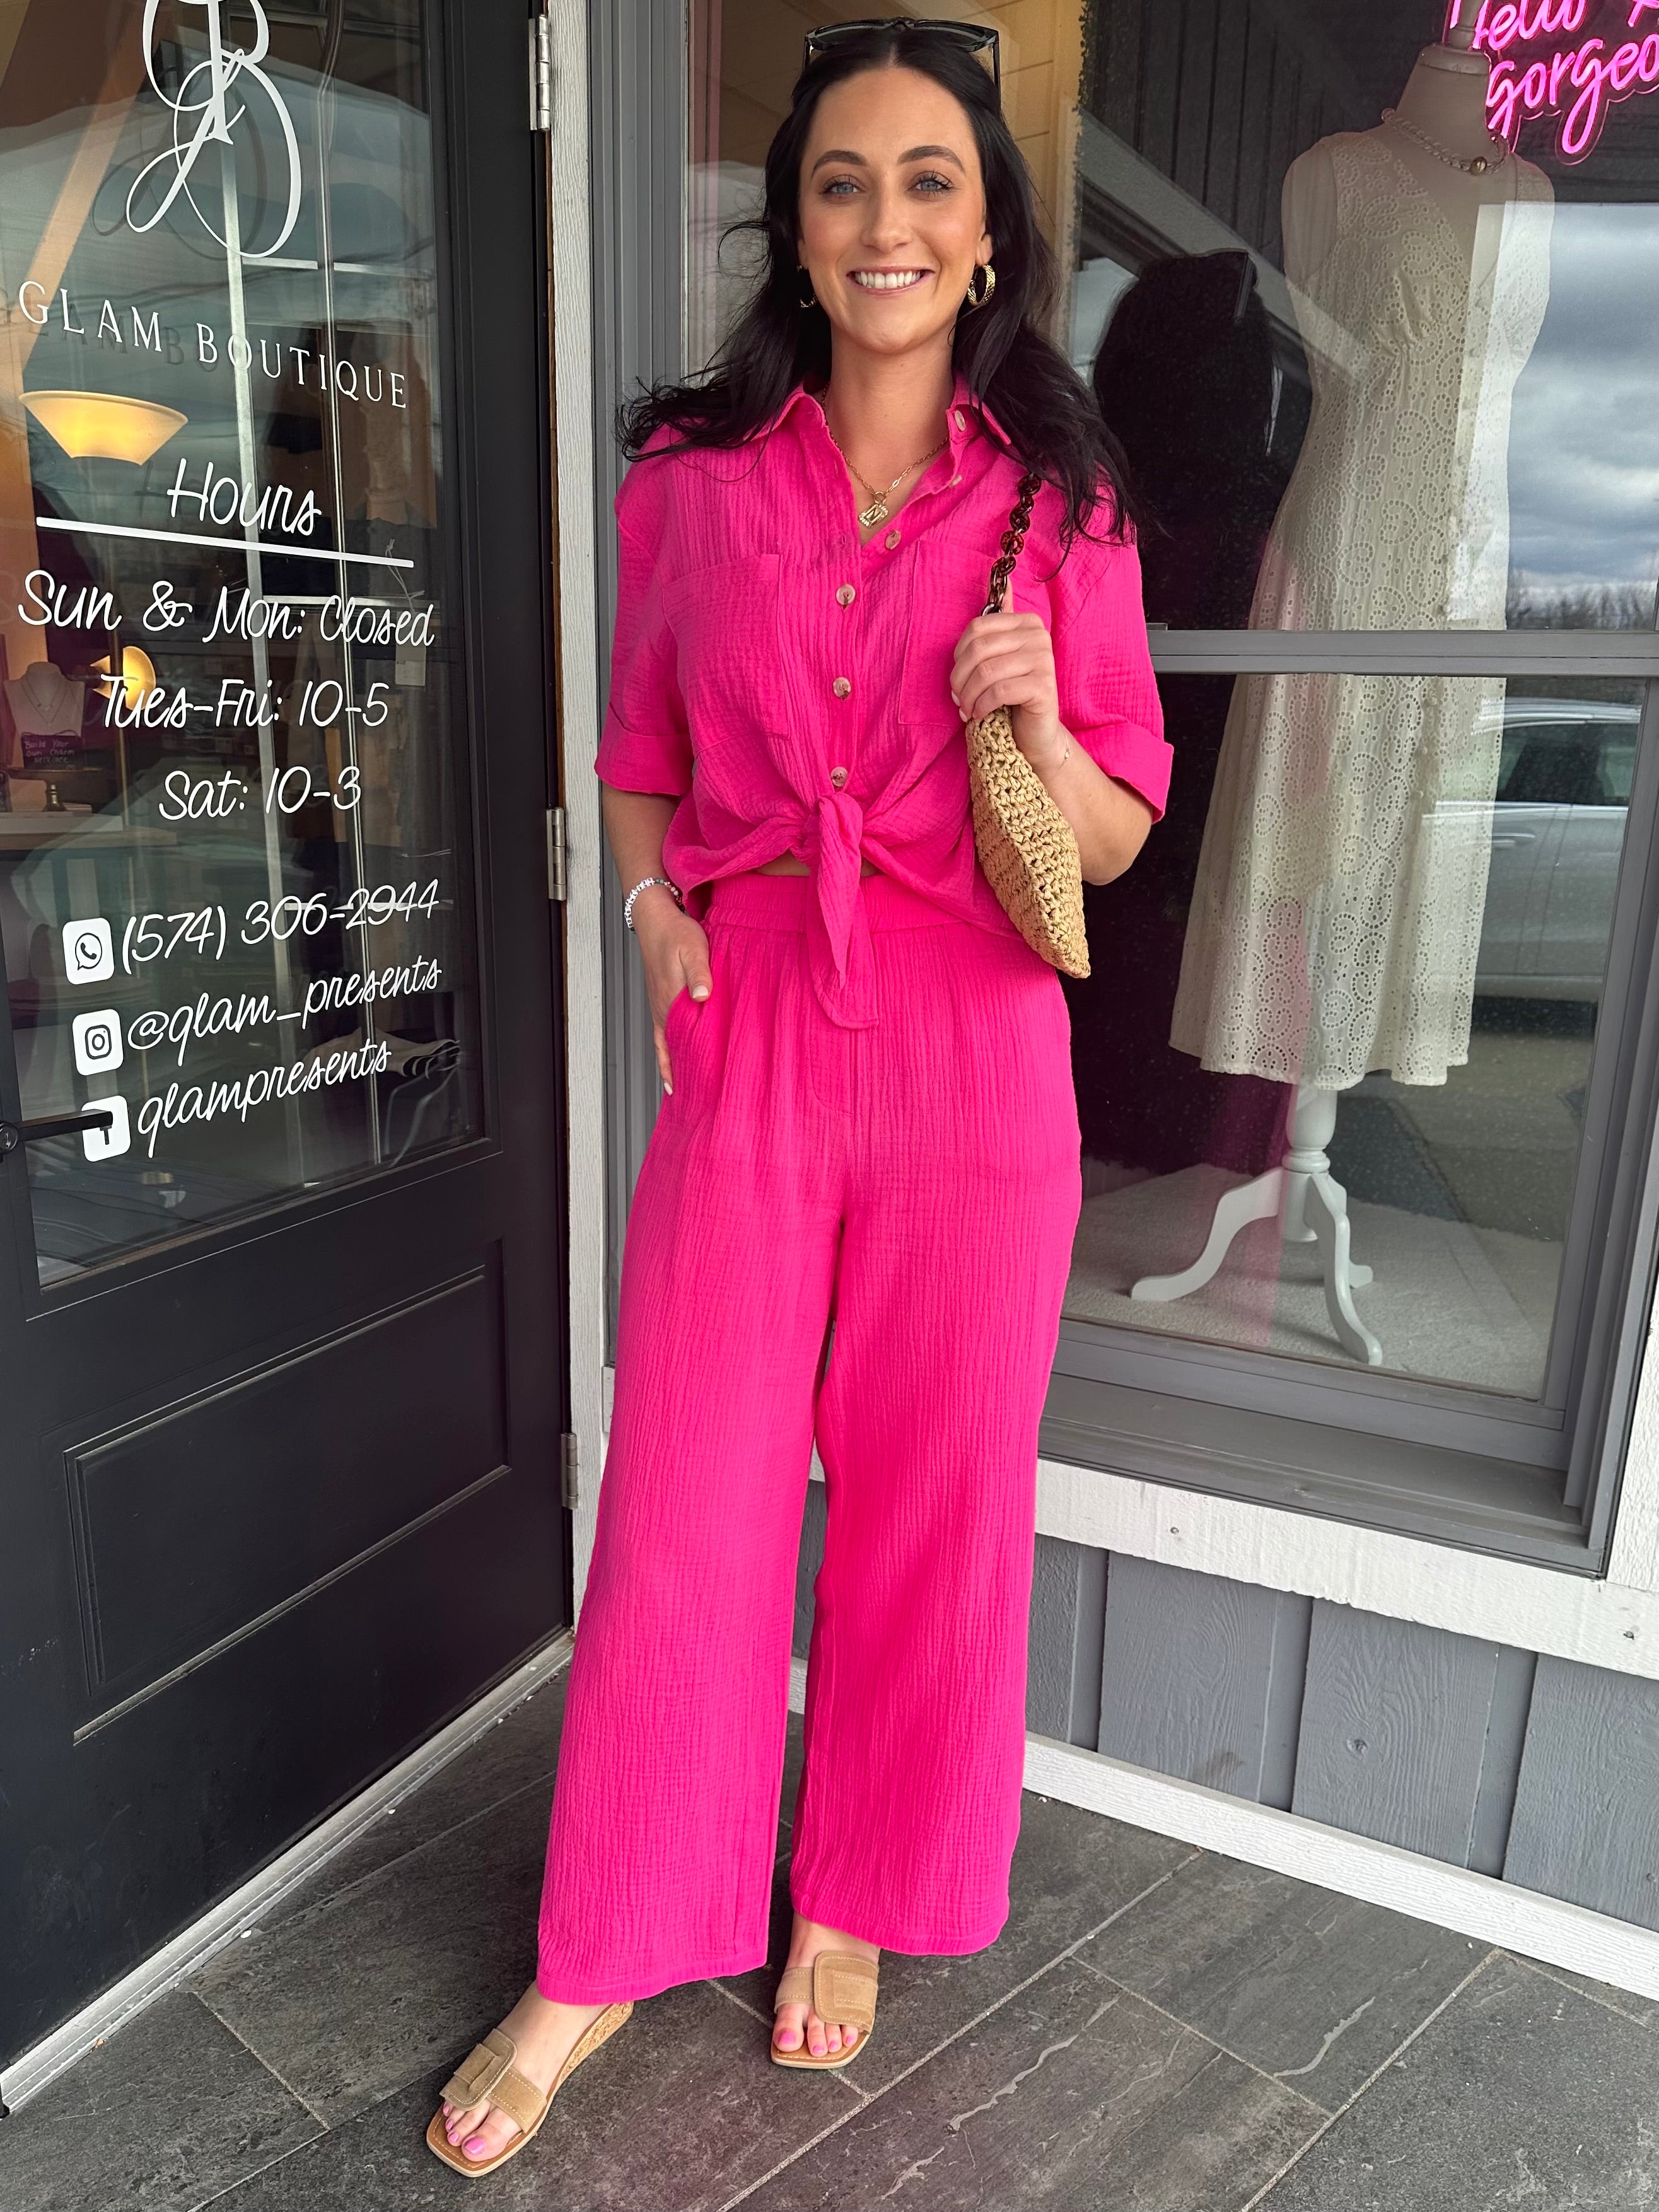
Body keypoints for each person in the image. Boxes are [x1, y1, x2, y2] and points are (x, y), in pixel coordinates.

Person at [429, 17, 1168, 2177]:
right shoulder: (692, 480)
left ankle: (850, 1884)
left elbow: (1116, 835)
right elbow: (638, 756)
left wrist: (1042, 727)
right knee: (690, 1487)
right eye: (845, 182)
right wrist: (653, 915)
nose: (887, 223)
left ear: (989, 230)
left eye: (932, 182)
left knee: (939, 1498)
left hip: (974, 1050)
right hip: (752, 1024)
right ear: (796, 224)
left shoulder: (1062, 501)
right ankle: (606, 1941)